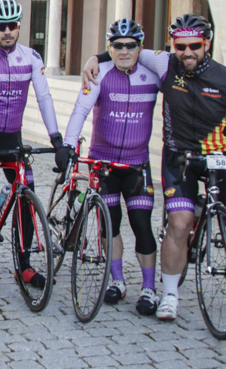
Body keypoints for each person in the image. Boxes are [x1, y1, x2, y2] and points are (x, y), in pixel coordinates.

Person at [82, 13, 226, 320]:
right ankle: (169, 295)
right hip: (179, 159)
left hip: (219, 158)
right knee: (180, 224)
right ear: (173, 45)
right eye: (180, 46)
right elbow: (124, 49)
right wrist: (94, 57)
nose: (187, 52)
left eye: (195, 45)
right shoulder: (164, 62)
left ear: (206, 44)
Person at [61, 18, 159, 316]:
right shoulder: (100, 73)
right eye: (118, 46)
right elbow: (80, 111)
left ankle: (149, 288)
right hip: (103, 163)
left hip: (137, 165)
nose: (125, 51)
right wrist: (67, 146)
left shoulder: (154, 74)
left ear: (140, 47)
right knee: (110, 224)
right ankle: (116, 281)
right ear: (109, 47)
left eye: (131, 45)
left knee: (142, 226)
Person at [0, 0, 65, 289]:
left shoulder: (32, 58)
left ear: (19, 26)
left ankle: (24, 266)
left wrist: (56, 138)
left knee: (26, 195)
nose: (7, 32)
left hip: (13, 135)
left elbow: (44, 97)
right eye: (1, 27)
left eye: (12, 26)